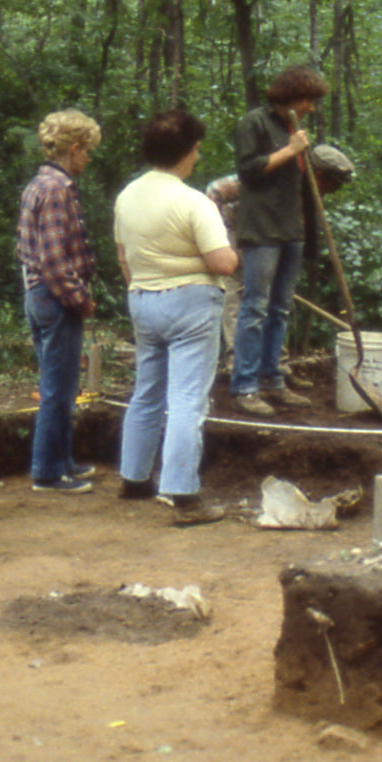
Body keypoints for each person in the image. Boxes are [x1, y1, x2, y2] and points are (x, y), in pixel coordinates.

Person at [114, 111, 238, 527]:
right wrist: (237, 255)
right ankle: (182, 493)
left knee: (147, 391)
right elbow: (221, 262)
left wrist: (142, 287)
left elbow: (122, 255)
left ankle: (134, 478)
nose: (198, 157)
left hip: (144, 298)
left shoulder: (127, 195)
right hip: (191, 302)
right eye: (196, 150)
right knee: (187, 399)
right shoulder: (193, 201)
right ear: (185, 153)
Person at [230, 63, 330, 417]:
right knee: (255, 308)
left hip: (292, 230)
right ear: (291, 97)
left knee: (280, 309)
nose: (311, 108)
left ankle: (273, 380)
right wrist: (289, 150)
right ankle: (245, 386)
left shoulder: (293, 127)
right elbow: (248, 171)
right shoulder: (254, 123)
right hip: (262, 230)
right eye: (308, 100)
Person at [16, 109, 102, 495]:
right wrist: (80, 299)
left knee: (64, 387)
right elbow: (52, 259)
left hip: (41, 296)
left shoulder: (40, 184)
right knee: (57, 389)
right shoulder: (56, 190)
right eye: (88, 152)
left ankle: (62, 462)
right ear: (76, 147)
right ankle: (47, 473)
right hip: (54, 298)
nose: (88, 160)